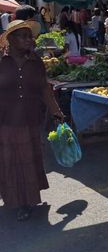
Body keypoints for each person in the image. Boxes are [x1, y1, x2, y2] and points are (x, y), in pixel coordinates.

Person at [0, 20, 64, 221]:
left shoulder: (36, 62)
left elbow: (44, 88)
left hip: (29, 119)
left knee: (27, 161)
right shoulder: (1, 61)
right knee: (10, 162)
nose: (30, 39)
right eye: (24, 36)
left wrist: (57, 113)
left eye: (30, 36)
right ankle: (15, 199)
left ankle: (26, 201)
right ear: (11, 39)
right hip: (5, 120)